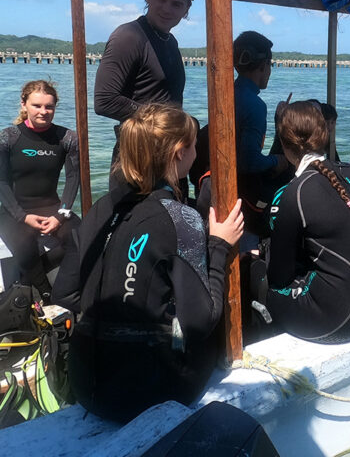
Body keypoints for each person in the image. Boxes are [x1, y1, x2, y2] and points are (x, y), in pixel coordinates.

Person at [52, 103, 244, 422]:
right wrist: (219, 244)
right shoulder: (181, 218)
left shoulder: (99, 210)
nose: (198, 152)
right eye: (196, 145)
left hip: (87, 383)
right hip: (147, 389)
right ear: (180, 153)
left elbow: (64, 295)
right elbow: (200, 322)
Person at [250, 101, 350, 343]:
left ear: (283, 144)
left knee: (256, 275)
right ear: (325, 134)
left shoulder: (297, 190)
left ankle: (260, 339)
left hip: (343, 320)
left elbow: (279, 276)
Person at [94, 0, 194, 167]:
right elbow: (104, 100)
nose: (167, 8)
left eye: (176, 4)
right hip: (137, 157)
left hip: (168, 153)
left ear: (186, 9)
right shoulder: (129, 36)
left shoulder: (170, 42)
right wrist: (165, 122)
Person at [0, 80, 80, 302]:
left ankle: (50, 285)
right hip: (14, 209)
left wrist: (60, 215)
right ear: (24, 104)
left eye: (49, 107)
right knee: (24, 244)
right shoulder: (8, 137)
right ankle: (47, 295)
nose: (44, 112)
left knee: (81, 237)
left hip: (52, 208)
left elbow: (74, 179)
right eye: (37, 105)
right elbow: (2, 182)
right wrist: (22, 216)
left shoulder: (67, 138)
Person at [232, 31, 288, 241]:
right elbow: (249, 162)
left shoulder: (226, 92)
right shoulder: (255, 105)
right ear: (265, 65)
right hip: (244, 200)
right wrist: (277, 160)